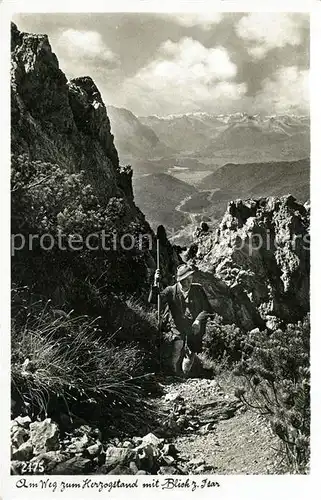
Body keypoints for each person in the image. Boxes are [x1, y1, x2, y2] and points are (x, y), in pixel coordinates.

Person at [148, 263, 213, 376]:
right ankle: (173, 371)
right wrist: (155, 283)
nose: (188, 283)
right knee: (178, 344)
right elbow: (154, 300)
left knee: (191, 351)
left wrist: (198, 320)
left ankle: (185, 374)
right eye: (184, 280)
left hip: (194, 325)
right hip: (177, 324)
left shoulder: (198, 289)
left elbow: (207, 309)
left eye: (190, 279)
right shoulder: (171, 291)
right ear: (178, 280)